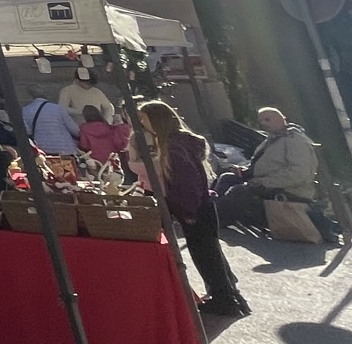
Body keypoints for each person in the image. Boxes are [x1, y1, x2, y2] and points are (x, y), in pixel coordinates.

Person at [132, 98, 246, 316]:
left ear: (157, 120)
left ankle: (224, 301)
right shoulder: (181, 142)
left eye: (144, 119)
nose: (142, 123)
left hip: (194, 208)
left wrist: (188, 211)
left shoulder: (174, 146)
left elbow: (187, 183)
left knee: (205, 255)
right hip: (200, 206)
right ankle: (227, 295)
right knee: (210, 254)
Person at [217, 107, 338, 244]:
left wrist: (264, 182)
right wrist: (245, 171)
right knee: (227, 178)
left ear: (282, 119)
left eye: (268, 119)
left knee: (239, 192)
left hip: (289, 190)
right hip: (268, 184)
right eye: (261, 120)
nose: (264, 123)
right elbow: (265, 165)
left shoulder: (295, 140)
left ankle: (215, 220)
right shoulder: (272, 139)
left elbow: (299, 174)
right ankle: (209, 214)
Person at [20, 89, 80, 158]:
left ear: (31, 98)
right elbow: (74, 130)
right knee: (66, 168)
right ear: (45, 96)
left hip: (42, 149)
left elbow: (27, 131)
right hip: (64, 149)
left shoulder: (25, 110)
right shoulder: (58, 108)